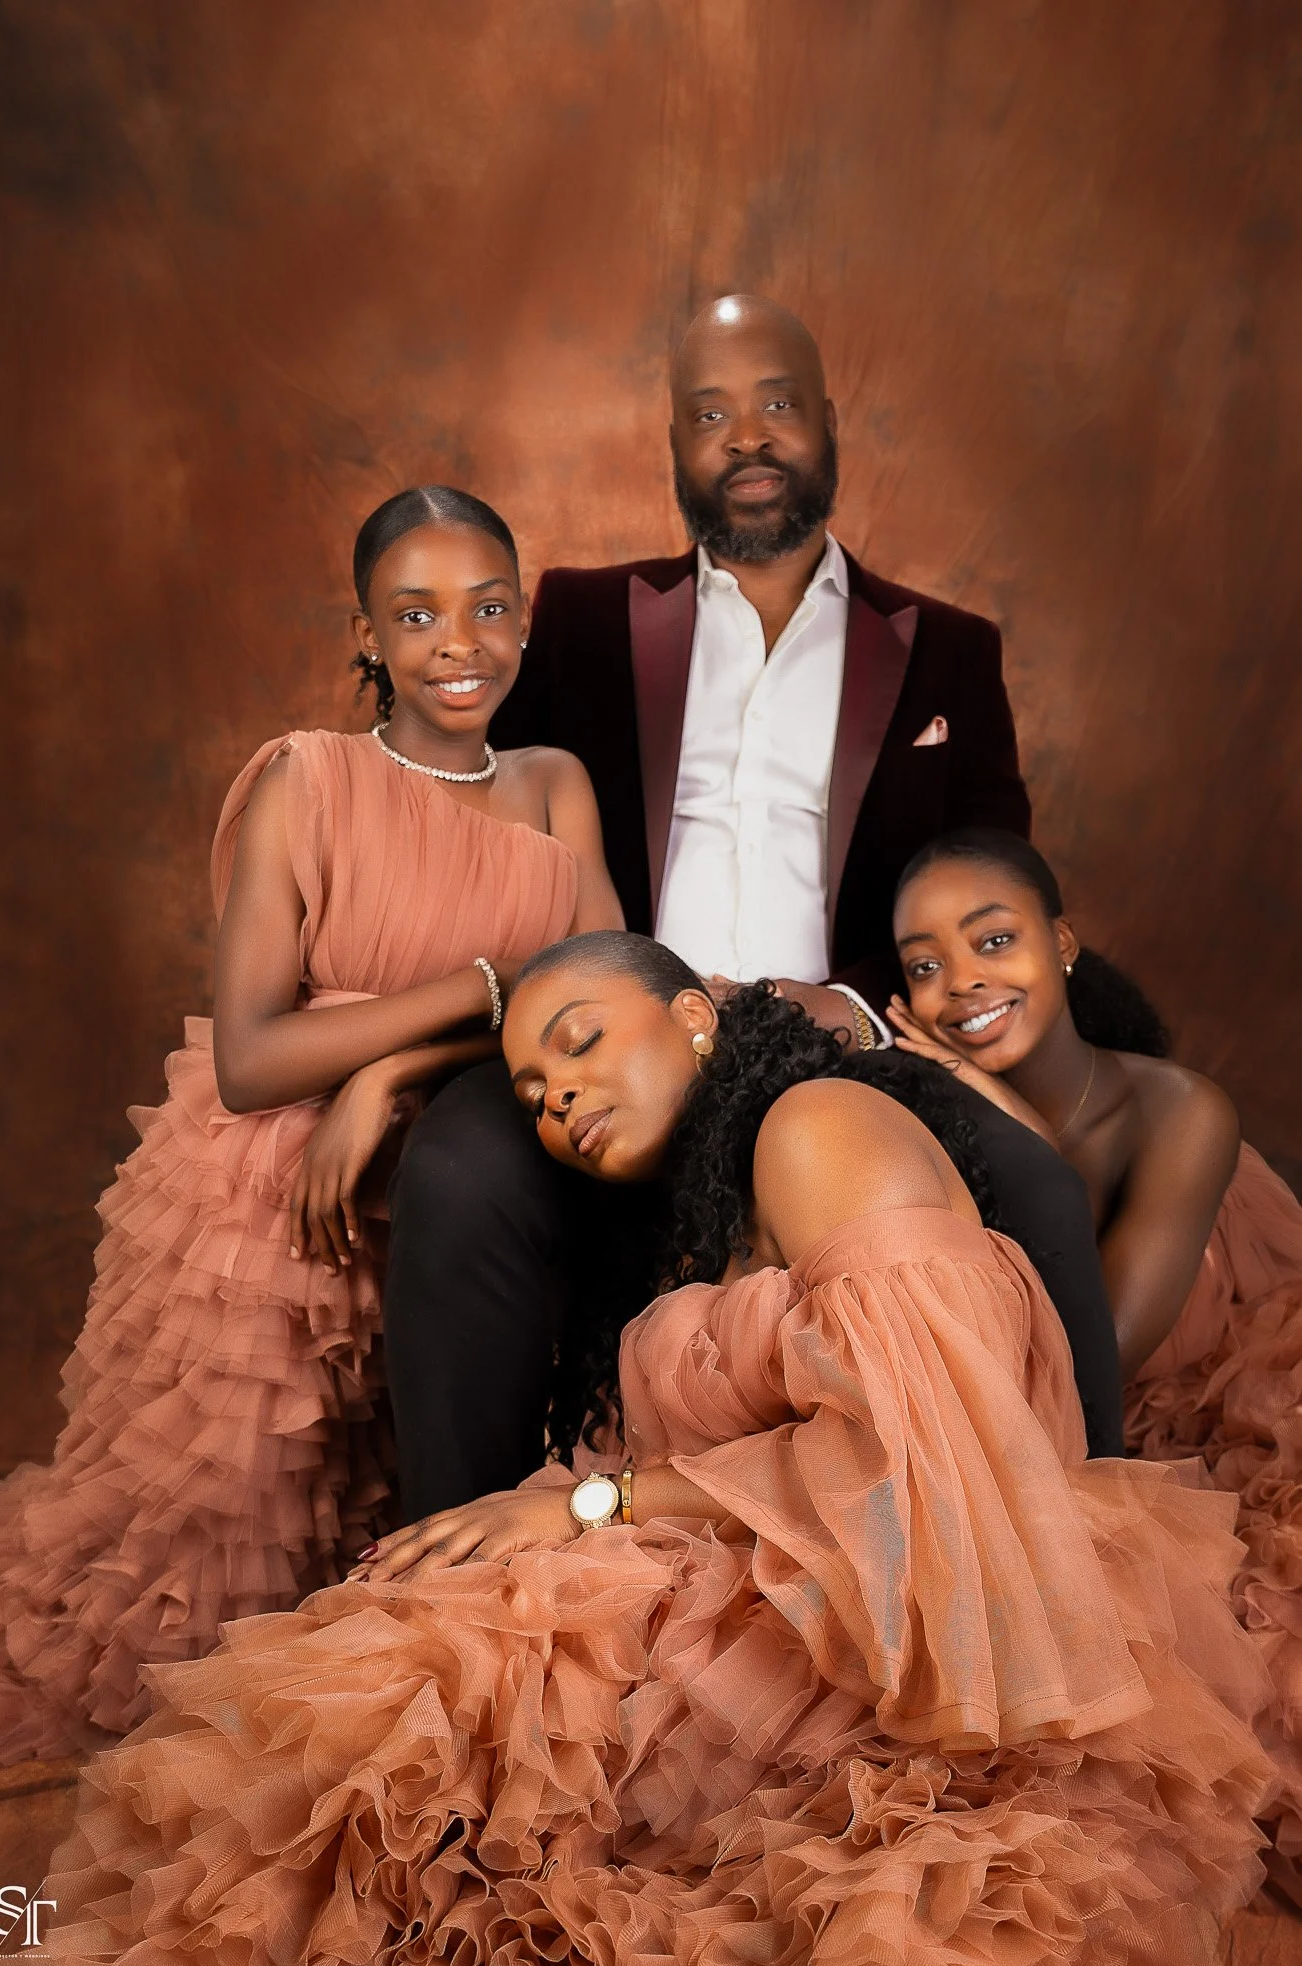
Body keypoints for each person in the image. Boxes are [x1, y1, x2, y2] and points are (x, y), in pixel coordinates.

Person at [0, 932, 1277, 1966]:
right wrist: (539, 1514)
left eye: (584, 1042)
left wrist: (585, 1512)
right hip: (769, 1568)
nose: (559, 1099)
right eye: (537, 1088)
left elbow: (906, 1461)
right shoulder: (724, 1193)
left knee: (396, 1740)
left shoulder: (816, 1125)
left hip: (881, 1612)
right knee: (373, 1729)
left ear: (700, 1013)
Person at [384, 293, 1123, 1515]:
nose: (745, 437)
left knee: (1038, 1192)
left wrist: (864, 1007)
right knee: (459, 1167)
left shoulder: (947, 650)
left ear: (828, 422)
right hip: (610, 1021)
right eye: (709, 413)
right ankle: (447, 1549)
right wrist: (384, 1059)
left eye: (775, 403)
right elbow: (456, 803)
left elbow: (992, 873)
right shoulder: (578, 615)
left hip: (841, 1036)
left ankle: (1084, 1544)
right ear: (672, 444)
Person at [0, 486, 619, 1766]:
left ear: (523, 619)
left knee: (393, 1541)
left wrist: (397, 1074)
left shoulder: (555, 788)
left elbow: (605, 999)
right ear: (366, 632)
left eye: (486, 608)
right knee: (202, 1614)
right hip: (282, 1197)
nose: (456, 644)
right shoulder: (312, 777)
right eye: (416, 615)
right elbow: (251, 1057)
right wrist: (473, 994)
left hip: (438, 1149)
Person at [886, 824, 1302, 1878]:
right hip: (1058, 1407)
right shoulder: (919, 1110)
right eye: (924, 967)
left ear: (1062, 941)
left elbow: (1097, 1357)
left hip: (1198, 1372)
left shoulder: (1179, 1108)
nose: (961, 984)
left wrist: (1000, 1118)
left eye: (993, 941)